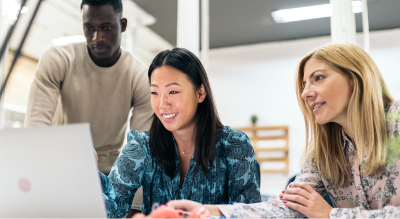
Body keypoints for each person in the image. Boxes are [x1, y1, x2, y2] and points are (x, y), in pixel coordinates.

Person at [167, 43, 400, 219]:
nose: (305, 93)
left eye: (318, 78)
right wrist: (210, 210)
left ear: (355, 79)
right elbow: (284, 209)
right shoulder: (324, 153)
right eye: (304, 84)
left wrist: (331, 215)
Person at [100, 48, 261, 219]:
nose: (162, 104)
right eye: (154, 93)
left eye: (173, 92)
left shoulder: (235, 145)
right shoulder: (141, 146)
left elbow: (250, 214)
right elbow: (110, 209)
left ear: (200, 93)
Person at [24, 0, 152, 215]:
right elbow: (36, 132)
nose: (97, 38)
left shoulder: (140, 77)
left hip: (109, 178)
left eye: (106, 28)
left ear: (122, 25)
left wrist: (135, 209)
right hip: (60, 169)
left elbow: (139, 153)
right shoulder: (58, 60)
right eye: (89, 28)